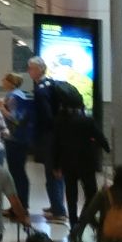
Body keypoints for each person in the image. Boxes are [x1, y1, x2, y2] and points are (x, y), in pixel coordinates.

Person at [55, 105, 110, 242]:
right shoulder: (87, 121)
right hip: (86, 164)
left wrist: (56, 165)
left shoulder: (61, 122)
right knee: (92, 195)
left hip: (68, 164)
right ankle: (83, 221)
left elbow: (56, 144)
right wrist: (107, 147)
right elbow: (100, 137)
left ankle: (74, 226)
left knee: (71, 197)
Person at [26, 58, 70, 221]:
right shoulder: (51, 84)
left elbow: (46, 115)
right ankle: (56, 204)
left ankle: (58, 210)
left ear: (40, 69)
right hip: (57, 134)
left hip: (48, 136)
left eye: (31, 68)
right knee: (56, 172)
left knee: (52, 172)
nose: (29, 71)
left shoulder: (40, 90)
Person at [1, 71, 37, 207]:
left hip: (14, 139)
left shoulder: (13, 97)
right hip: (22, 138)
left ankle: (20, 205)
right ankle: (20, 204)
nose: (2, 82)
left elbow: (15, 118)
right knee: (19, 171)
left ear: (11, 83)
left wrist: (2, 108)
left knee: (17, 172)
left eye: (4, 80)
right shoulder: (22, 95)